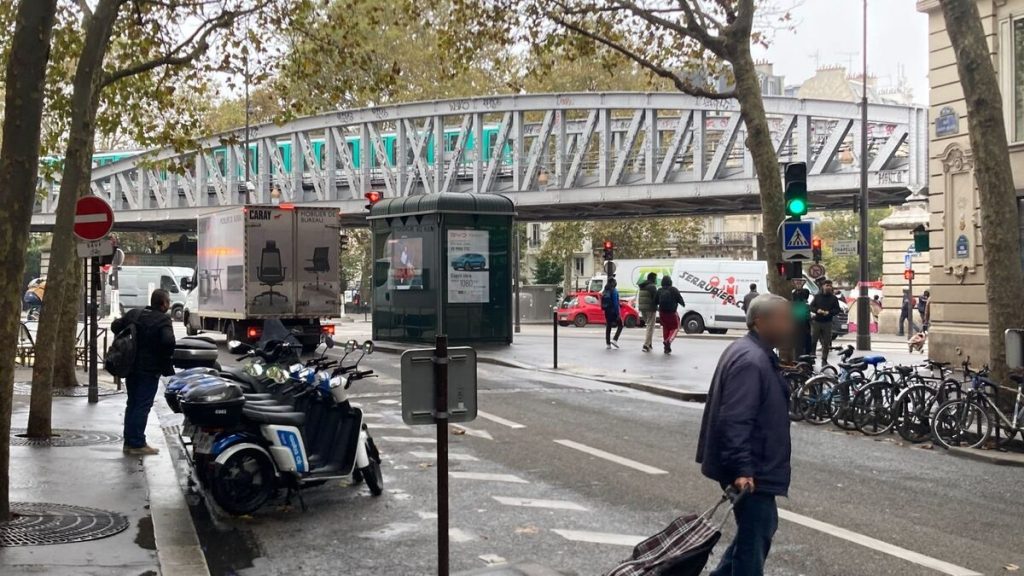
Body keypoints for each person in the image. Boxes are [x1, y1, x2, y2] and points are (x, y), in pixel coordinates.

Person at [696, 294, 793, 576]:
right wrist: (742, 468)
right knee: (754, 541)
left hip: (755, 465)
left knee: (757, 531)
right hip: (752, 469)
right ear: (761, 322)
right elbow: (735, 418)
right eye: (783, 319)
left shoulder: (753, 352)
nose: (789, 326)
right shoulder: (752, 360)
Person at [112, 289, 175, 456]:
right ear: (164, 304)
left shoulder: (135, 314)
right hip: (149, 369)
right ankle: (137, 443)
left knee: (132, 403)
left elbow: (115, 326)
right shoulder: (163, 319)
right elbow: (168, 341)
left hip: (130, 366)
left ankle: (130, 440)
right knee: (142, 405)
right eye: (168, 302)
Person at [809, 280, 841, 364]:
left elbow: (837, 309)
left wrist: (829, 312)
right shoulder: (817, 296)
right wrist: (817, 310)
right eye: (827, 285)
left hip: (827, 322)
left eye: (830, 286)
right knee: (813, 340)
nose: (829, 287)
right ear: (823, 286)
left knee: (826, 342)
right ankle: (812, 357)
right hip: (817, 321)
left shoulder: (833, 298)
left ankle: (824, 359)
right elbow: (811, 307)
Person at [656, 276, 685, 354]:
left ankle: (666, 348)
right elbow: (680, 300)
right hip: (671, 313)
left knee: (666, 328)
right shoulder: (674, 290)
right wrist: (682, 304)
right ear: (670, 282)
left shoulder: (659, 290)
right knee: (676, 328)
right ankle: (668, 341)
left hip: (662, 312)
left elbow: (656, 301)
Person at [637, 272, 659, 353]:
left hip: (642, 309)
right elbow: (656, 298)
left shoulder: (642, 286)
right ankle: (646, 345)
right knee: (650, 327)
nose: (656, 280)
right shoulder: (652, 287)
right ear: (653, 278)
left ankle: (649, 343)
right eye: (655, 278)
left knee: (649, 326)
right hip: (650, 309)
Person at [601, 278, 623, 349]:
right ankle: (615, 339)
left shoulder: (605, 290)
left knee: (608, 326)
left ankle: (608, 344)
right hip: (613, 311)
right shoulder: (614, 290)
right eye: (615, 282)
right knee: (621, 325)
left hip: (607, 311)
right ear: (613, 283)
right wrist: (618, 314)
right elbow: (615, 303)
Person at [791, 282, 812, 356]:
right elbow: (806, 317)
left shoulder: (793, 305)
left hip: (797, 327)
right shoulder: (805, 305)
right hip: (803, 326)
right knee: (804, 342)